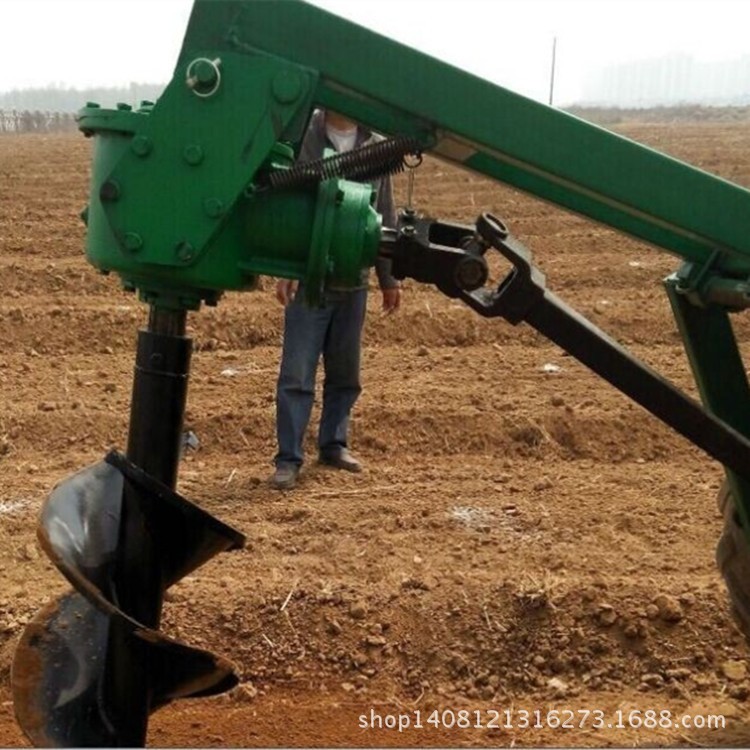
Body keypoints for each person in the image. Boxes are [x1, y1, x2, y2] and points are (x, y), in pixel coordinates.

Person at [270, 109, 401, 490]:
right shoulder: (305, 139)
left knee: (346, 372)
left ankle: (333, 444)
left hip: (353, 279)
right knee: (297, 373)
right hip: (311, 277)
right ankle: (288, 460)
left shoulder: (375, 147)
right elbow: (289, 207)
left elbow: (384, 216)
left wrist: (388, 278)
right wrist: (286, 267)